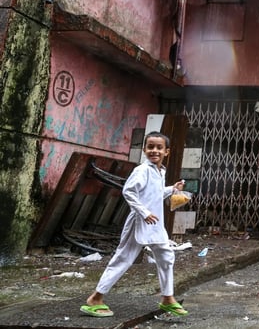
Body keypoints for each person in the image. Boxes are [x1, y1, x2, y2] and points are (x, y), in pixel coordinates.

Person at [80, 131, 189, 318]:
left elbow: (154, 194)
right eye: (150, 147)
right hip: (139, 222)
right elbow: (128, 192)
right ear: (144, 149)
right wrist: (144, 212)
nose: (154, 151)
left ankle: (167, 298)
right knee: (123, 259)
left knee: (166, 257)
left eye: (159, 147)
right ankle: (95, 298)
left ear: (166, 152)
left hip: (155, 224)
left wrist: (172, 189)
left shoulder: (159, 171)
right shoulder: (142, 170)